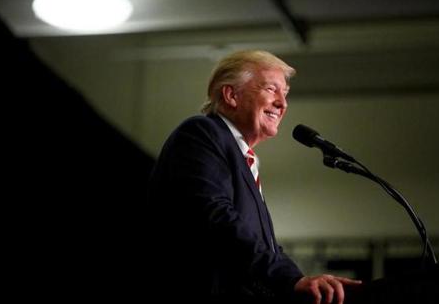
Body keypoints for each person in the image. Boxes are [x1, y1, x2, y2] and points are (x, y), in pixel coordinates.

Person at [145, 49, 362, 303]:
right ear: (231, 95)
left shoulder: (245, 159)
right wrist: (290, 279)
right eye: (272, 89)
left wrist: (300, 281)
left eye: (285, 94)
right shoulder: (202, 133)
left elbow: (262, 245)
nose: (283, 103)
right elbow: (217, 218)